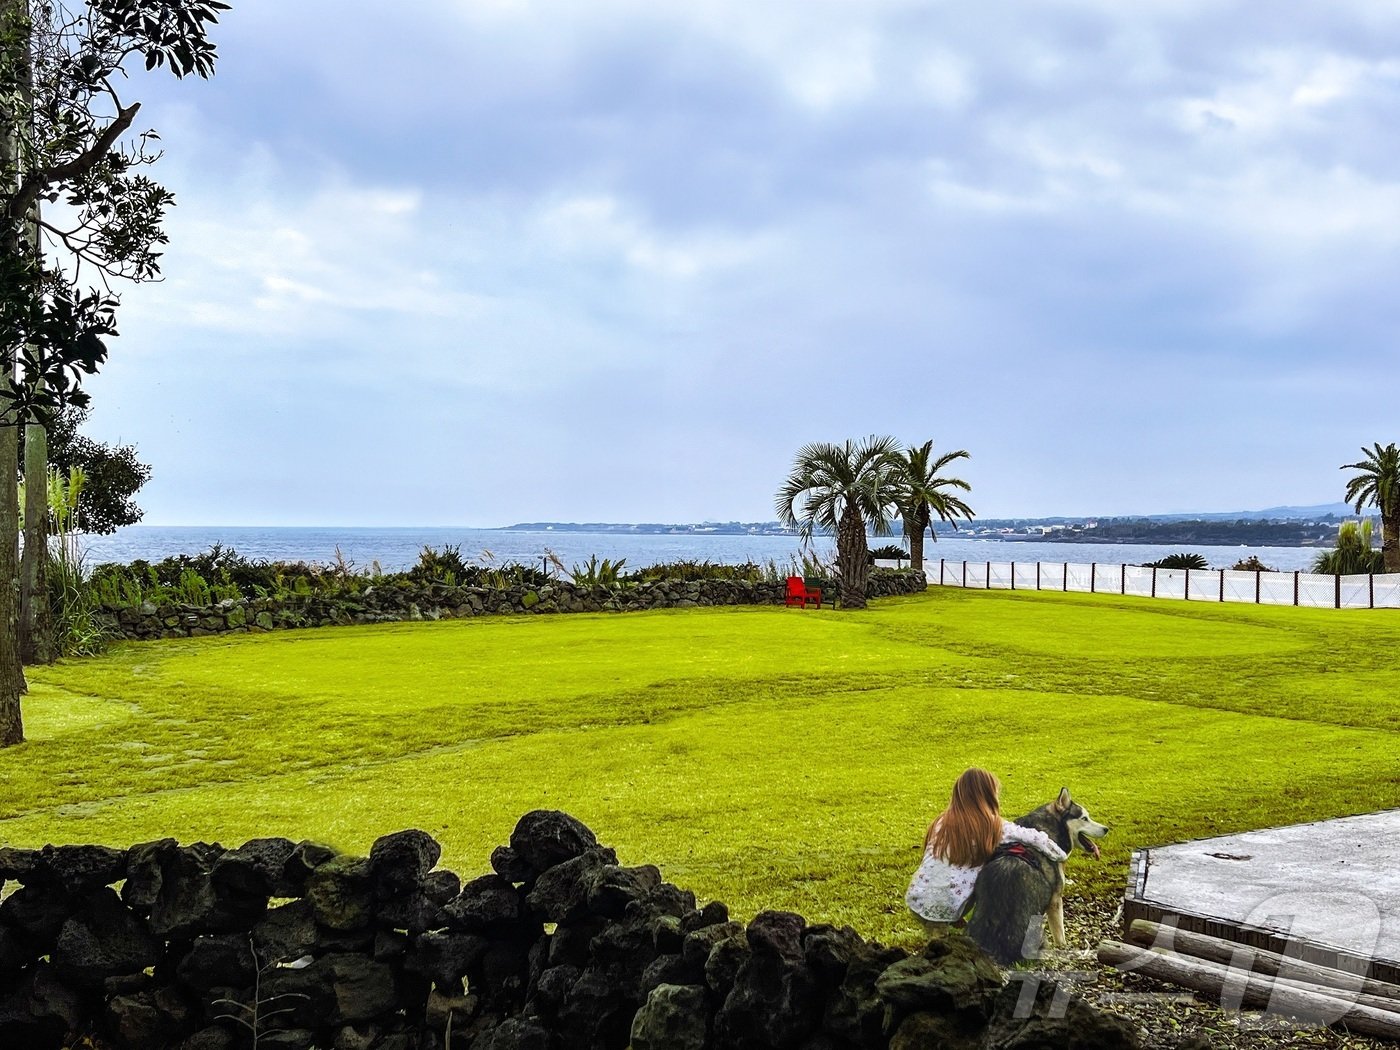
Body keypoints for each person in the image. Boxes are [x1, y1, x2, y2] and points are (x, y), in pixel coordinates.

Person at [906, 767, 1067, 931]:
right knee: (981, 874)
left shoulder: (942, 821)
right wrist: (1060, 855)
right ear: (987, 796)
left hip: (916, 899)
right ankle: (942, 932)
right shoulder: (990, 825)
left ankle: (945, 925)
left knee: (952, 874)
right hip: (946, 907)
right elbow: (1033, 837)